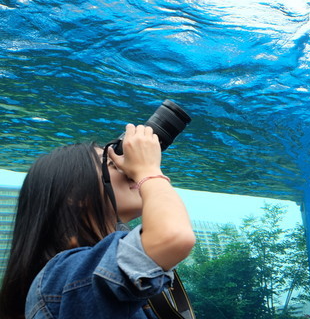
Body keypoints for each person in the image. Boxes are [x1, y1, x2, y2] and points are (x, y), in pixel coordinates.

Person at [0, 124, 196, 319]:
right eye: (111, 164)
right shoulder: (64, 274)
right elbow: (174, 236)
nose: (126, 168)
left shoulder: (90, 269)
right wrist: (148, 171)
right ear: (74, 194)